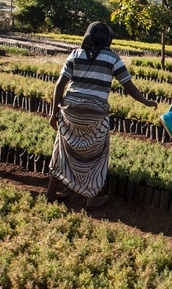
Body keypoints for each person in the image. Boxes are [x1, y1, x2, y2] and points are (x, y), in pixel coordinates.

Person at [45, 22, 157, 209]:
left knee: (62, 150)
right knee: (96, 156)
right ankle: (91, 198)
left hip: (70, 111)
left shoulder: (75, 54)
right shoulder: (113, 58)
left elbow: (59, 85)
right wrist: (146, 102)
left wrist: (54, 113)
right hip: (95, 115)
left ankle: (50, 192)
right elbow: (128, 86)